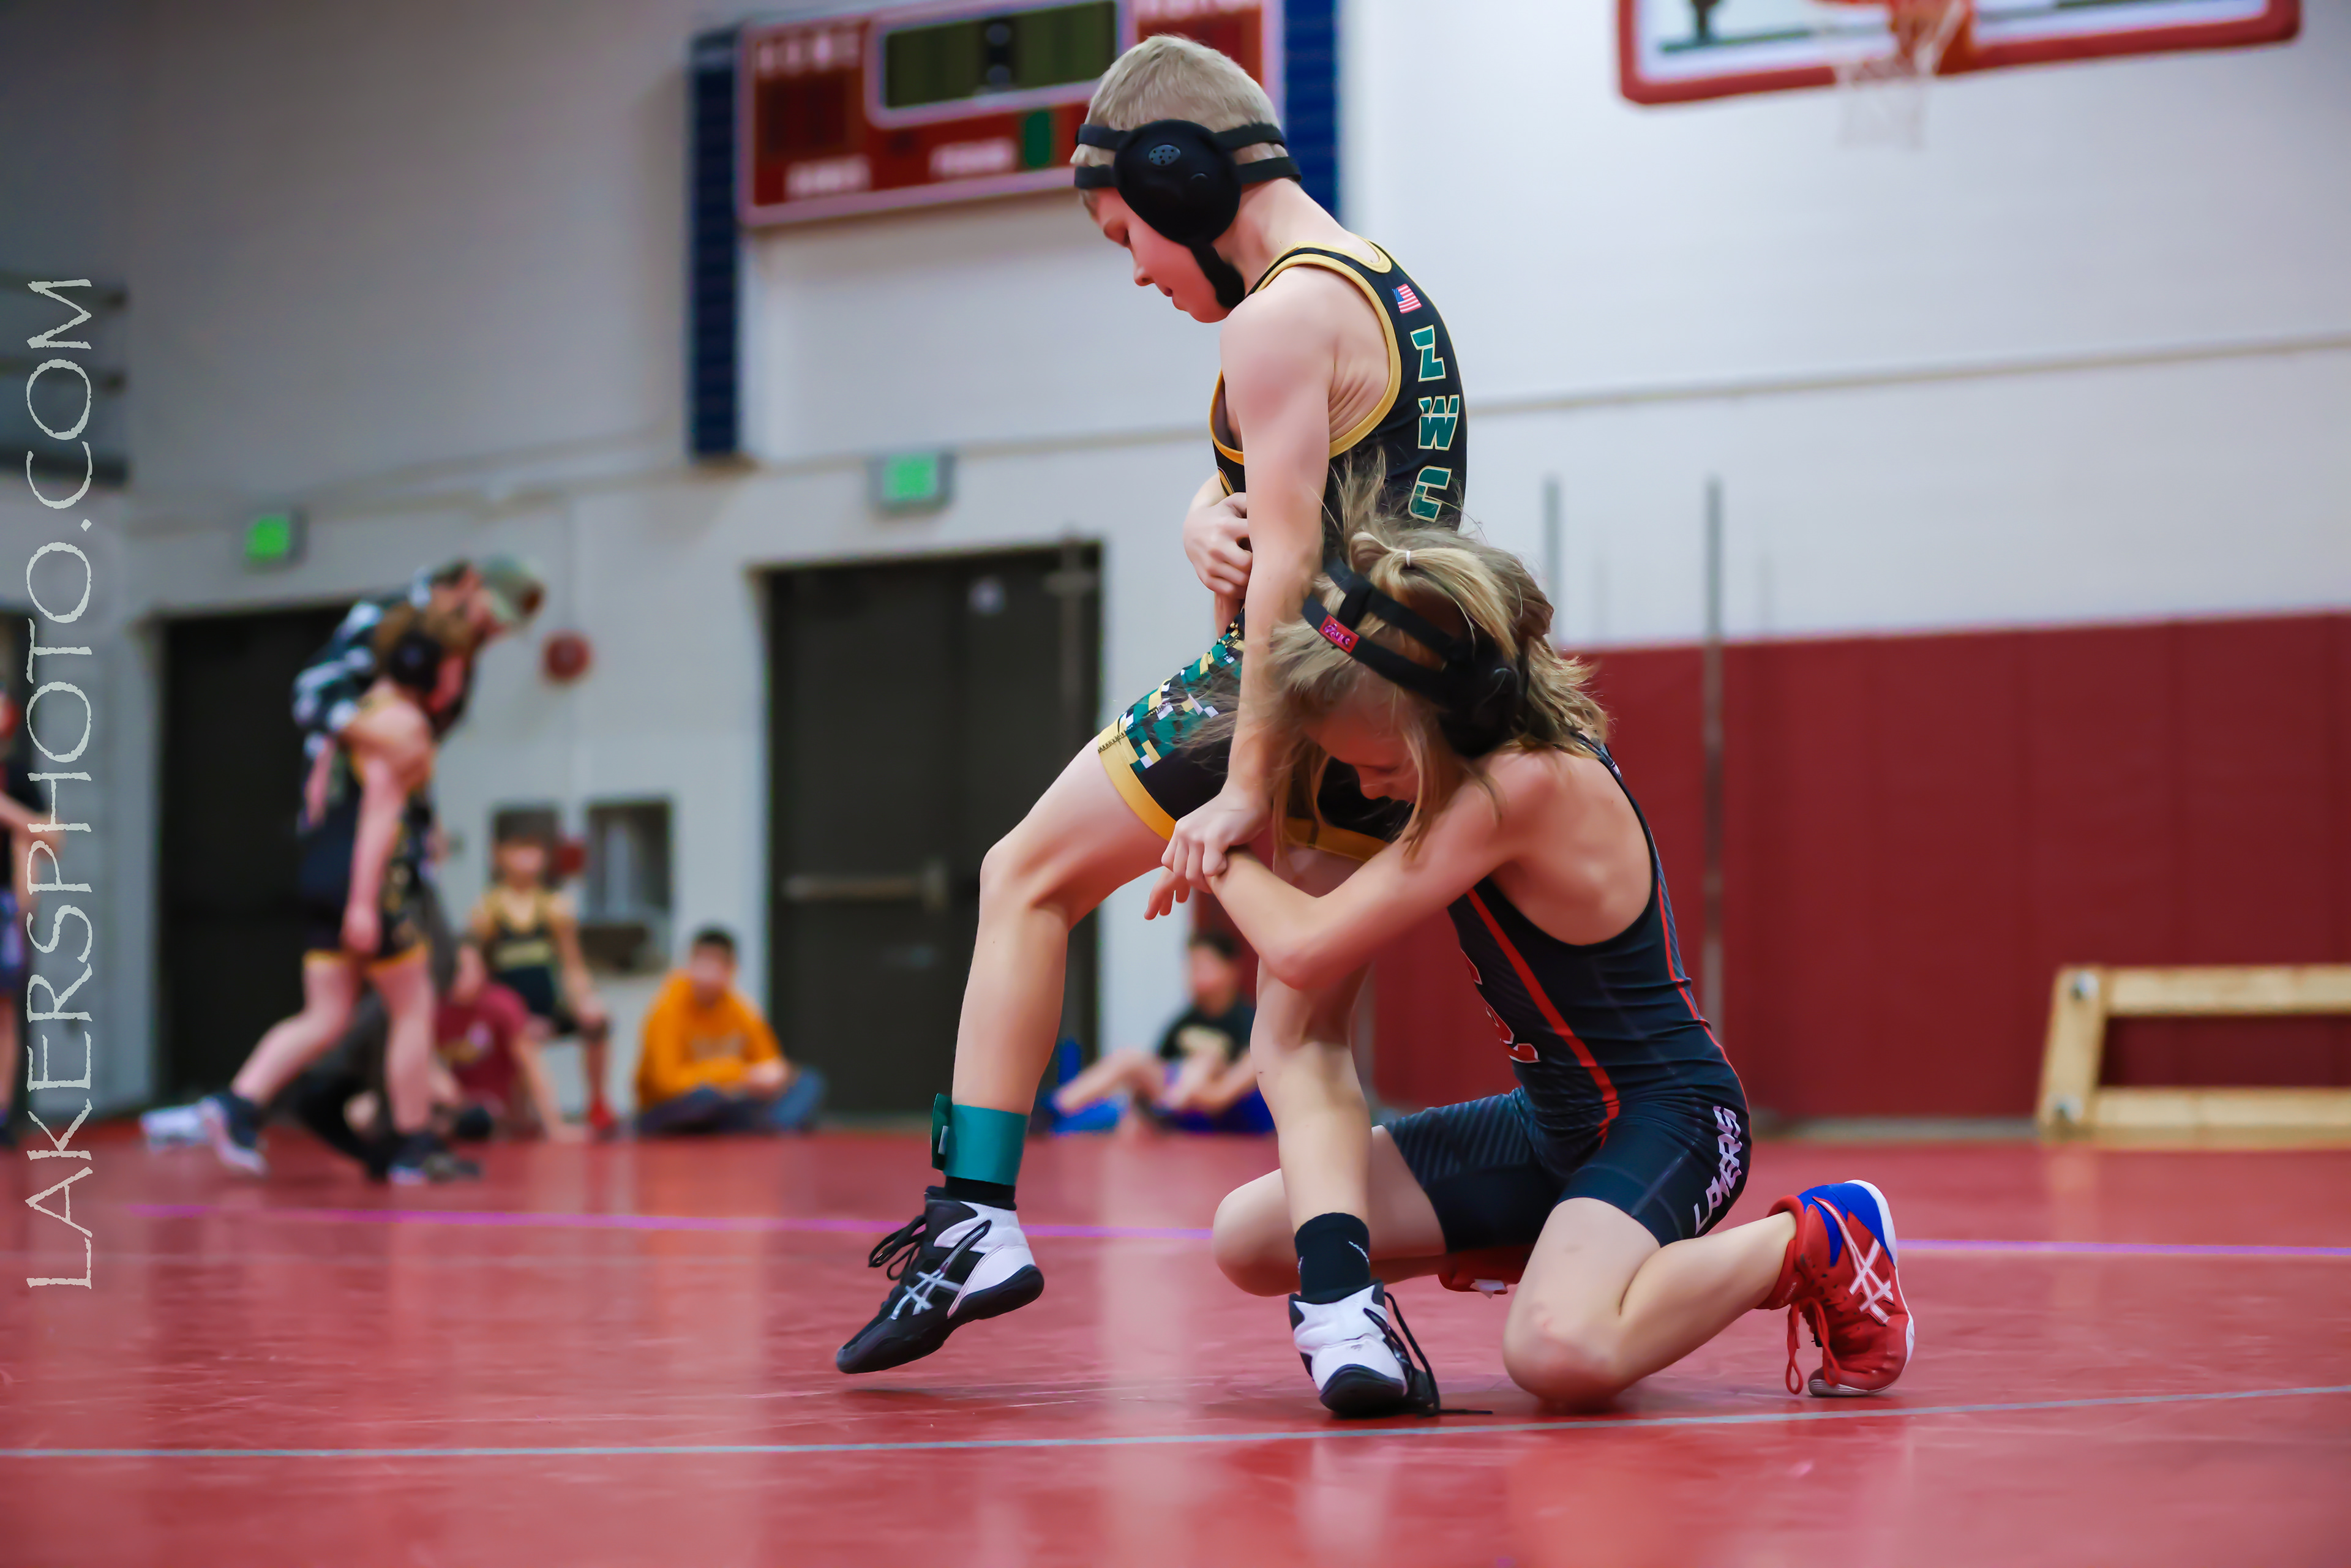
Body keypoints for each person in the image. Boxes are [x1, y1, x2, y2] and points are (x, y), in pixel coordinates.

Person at [839, 33, 1472, 1375]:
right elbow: (1306, 484)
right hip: (1405, 708)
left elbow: (1286, 570)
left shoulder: (1272, 315)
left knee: (1022, 878)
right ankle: (1343, 1307)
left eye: (1128, 232)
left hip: (1279, 683)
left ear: (1183, 178)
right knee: (1300, 1027)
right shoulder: (1384, 289)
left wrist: (1243, 783)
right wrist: (1201, 511)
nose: (1136, 268)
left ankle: (973, 1217)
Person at [1183, 503, 1913, 1414]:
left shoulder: (1524, 786)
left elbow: (1304, 947)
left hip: (1674, 1120)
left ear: (1450, 716)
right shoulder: (1473, 756)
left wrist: (1212, 846)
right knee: (1253, 1237)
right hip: (1547, 1128)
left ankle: (1817, 1238)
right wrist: (1214, 540)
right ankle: (1559, 1247)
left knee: (1557, 1351)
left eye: (1382, 768)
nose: (1368, 790)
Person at [198, 606, 487, 1184]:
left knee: (326, 1014)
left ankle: (238, 1103)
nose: (460, 685)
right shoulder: (403, 725)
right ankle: (412, 1144)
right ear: (428, 667)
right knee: (413, 1005)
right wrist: (362, 899)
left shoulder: (351, 721)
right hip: (368, 877)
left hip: (320, 869)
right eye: (457, 669)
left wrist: (331, 875)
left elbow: (313, 800)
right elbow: (380, 809)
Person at [1049, 929, 1270, 1133]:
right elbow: (1157, 1066)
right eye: (1192, 967)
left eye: (1205, 966)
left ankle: (1171, 1104)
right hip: (1179, 1103)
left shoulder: (1247, 1020)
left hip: (1226, 1107)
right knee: (1129, 1060)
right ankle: (1053, 1109)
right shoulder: (1184, 1022)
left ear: (1231, 969)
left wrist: (1210, 1092)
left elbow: (1243, 1076)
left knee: (1206, 1061)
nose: (1196, 976)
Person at [470, 828, 613, 1135]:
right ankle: (536, 1118)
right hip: (509, 1014)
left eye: (533, 850)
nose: (527, 859)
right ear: (500, 856)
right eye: (518, 850)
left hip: (548, 1007)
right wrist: (508, 1017)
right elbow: (479, 971)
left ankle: (597, 1102)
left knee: (597, 1020)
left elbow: (572, 965)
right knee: (519, 1120)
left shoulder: (555, 907)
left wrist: (585, 999)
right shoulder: (489, 910)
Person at [634, 927, 825, 1136]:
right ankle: (762, 1126)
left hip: (731, 1100)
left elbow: (769, 1065)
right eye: (701, 962)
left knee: (808, 1082)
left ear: (731, 969)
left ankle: (771, 1127)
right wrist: (738, 1075)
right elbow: (667, 1083)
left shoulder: (741, 1010)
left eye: (715, 964)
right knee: (706, 1097)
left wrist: (772, 1077)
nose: (706, 973)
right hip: (671, 1107)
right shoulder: (667, 1008)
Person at [0, 695, 44, 1147]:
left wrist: (8, 812)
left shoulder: (17, 778)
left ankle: (1, 1115)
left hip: (4, 908)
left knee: (5, 1009)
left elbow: (52, 836)